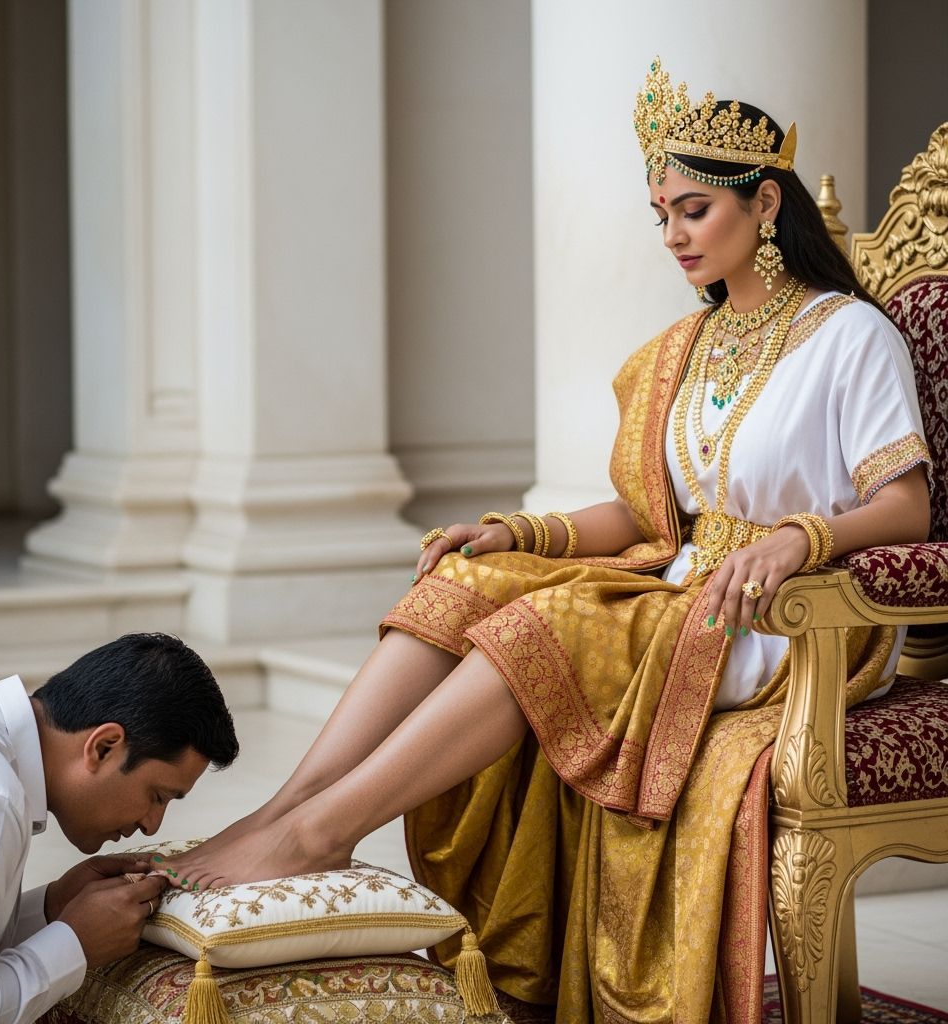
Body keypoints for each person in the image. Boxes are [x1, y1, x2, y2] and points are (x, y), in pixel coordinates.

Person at [161, 59, 931, 1020]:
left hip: (787, 619)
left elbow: (905, 508)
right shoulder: (687, 348)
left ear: (765, 202)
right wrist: (514, 529)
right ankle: (282, 813)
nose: (673, 236)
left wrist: (801, 540)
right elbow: (652, 518)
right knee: (465, 587)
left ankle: (322, 831)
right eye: (661, 216)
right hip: (682, 584)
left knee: (550, 617)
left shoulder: (849, 335)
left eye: (694, 210)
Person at [0, 632, 239, 1024]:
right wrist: (73, 944)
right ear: (104, 746)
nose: (152, 824)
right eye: (158, 796)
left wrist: (52, 908)